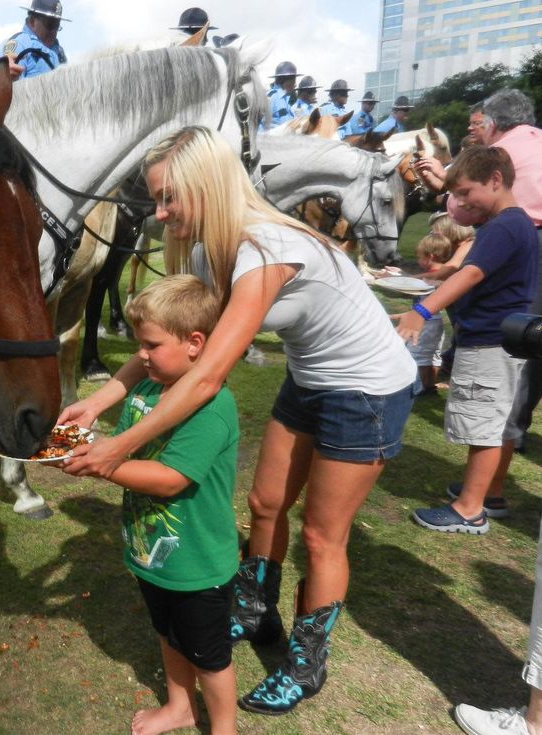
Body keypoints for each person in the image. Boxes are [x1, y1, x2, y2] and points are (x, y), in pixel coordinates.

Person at [59, 125, 418, 715]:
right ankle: (254, 611)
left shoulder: (265, 248)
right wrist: (98, 403)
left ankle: (305, 664)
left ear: (207, 186)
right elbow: (167, 343)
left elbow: (205, 377)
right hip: (309, 379)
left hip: (368, 390)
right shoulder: (208, 250)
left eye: (169, 197)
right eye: (156, 198)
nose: (159, 213)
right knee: (265, 504)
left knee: (321, 534)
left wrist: (118, 447)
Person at [98, 274, 240, 735]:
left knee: (210, 657)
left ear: (195, 343)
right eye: (139, 343)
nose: (140, 355)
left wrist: (101, 465)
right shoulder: (146, 391)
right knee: (169, 634)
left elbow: (170, 479)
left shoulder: (211, 407)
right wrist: (89, 448)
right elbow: (125, 445)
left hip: (199, 565)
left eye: (151, 345)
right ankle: (181, 706)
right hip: (154, 555)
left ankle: (224, 729)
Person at [395, 146, 538, 535]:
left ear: (495, 180)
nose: (459, 202)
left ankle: (469, 510)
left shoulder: (504, 226)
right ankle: (485, 491)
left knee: (483, 424)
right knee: (493, 419)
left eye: (465, 192)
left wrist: (422, 311)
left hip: (490, 342)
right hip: (500, 340)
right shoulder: (511, 223)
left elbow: (472, 273)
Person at [407, 233, 452, 395]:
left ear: (430, 257)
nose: (418, 261)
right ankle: (429, 384)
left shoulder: (432, 278)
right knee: (433, 355)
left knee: (417, 354)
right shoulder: (444, 274)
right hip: (437, 321)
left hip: (427, 321)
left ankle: (418, 388)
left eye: (419, 257)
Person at [0, 0, 68, 79]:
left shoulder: (60, 53)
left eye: (57, 25)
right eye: (50, 24)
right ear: (32, 21)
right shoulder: (20, 44)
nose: (54, 31)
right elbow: (11, 84)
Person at [264, 61, 298, 129]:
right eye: (293, 79)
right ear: (283, 80)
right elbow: (262, 124)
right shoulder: (272, 97)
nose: (295, 83)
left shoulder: (286, 98)